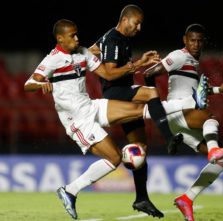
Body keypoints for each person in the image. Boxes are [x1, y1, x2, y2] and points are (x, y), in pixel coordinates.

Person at [23, 19, 191, 220]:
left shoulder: (83, 52)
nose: (77, 38)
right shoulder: (52, 59)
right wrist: (42, 84)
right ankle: (70, 191)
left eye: (77, 34)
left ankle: (189, 102)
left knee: (139, 109)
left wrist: (138, 64)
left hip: (91, 106)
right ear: (60, 38)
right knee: (114, 158)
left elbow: (107, 74)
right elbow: (28, 84)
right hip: (77, 120)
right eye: (72, 36)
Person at [88, 4, 192, 218]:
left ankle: (141, 198)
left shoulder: (113, 38)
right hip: (116, 92)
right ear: (125, 19)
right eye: (137, 23)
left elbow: (92, 50)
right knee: (151, 93)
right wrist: (138, 64)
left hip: (124, 90)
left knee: (140, 147)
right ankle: (169, 137)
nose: (139, 28)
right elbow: (108, 74)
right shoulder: (115, 38)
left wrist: (78, 60)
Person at [142, 24, 223, 221]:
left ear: (203, 42)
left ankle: (187, 199)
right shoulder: (179, 56)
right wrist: (156, 104)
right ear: (184, 40)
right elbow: (149, 73)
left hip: (184, 118)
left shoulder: (193, 62)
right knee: (210, 117)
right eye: (192, 40)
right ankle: (214, 149)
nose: (195, 44)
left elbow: (193, 89)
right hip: (178, 112)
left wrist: (217, 90)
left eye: (199, 41)